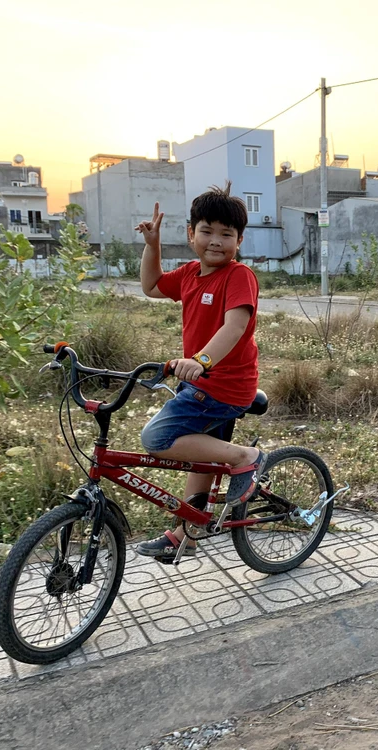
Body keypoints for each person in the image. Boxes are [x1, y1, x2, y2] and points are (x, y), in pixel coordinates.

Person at [133, 184, 265, 560]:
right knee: (203, 459)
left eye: (227, 234)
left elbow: (234, 327)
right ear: (191, 234)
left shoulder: (239, 276)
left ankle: (245, 458)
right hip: (203, 383)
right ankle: (186, 535)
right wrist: (152, 245)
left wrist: (201, 361)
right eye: (207, 231)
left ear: (239, 240)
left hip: (224, 385)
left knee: (157, 437)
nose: (216, 241)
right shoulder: (191, 273)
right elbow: (151, 286)